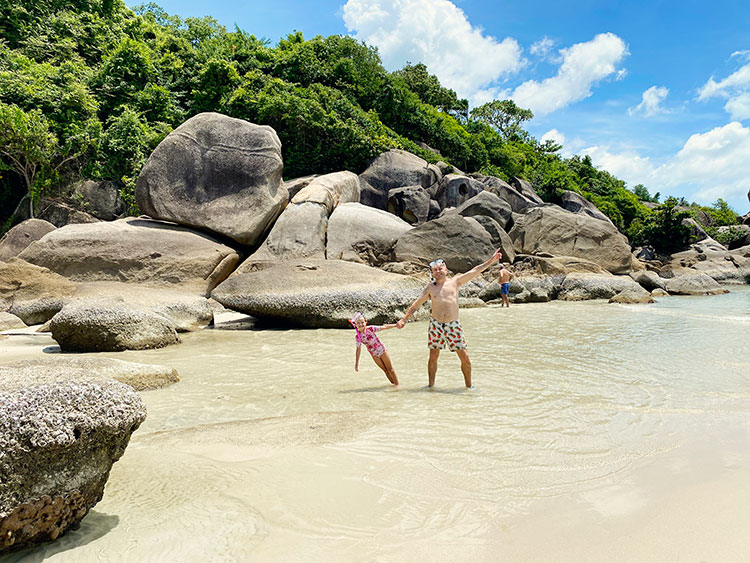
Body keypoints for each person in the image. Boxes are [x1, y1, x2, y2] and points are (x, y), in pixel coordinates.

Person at [396, 249, 502, 388]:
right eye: (435, 270)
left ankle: (469, 387)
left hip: (453, 324)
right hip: (436, 325)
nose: (438, 271)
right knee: (433, 356)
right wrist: (404, 319)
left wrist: (491, 261)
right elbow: (416, 304)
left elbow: (475, 271)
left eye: (440, 268)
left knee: (465, 357)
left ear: (446, 269)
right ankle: (431, 386)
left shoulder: (455, 282)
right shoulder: (430, 288)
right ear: (432, 273)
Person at [351, 312, 399, 385]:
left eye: (362, 322)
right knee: (385, 371)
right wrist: (357, 363)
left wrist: (395, 325)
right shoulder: (358, 337)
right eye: (358, 323)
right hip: (374, 354)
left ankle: (397, 386)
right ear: (356, 325)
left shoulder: (371, 329)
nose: (361, 324)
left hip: (382, 350)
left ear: (365, 323)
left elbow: (384, 327)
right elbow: (358, 350)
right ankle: (393, 385)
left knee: (390, 370)